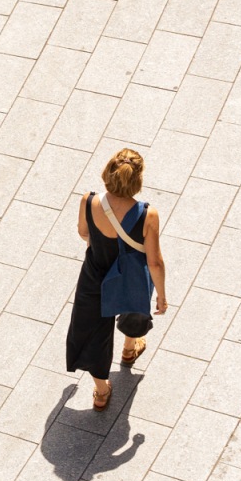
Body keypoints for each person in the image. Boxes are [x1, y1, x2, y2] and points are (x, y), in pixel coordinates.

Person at [67, 148, 167, 410]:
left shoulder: (88, 201)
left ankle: (101, 392)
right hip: (131, 274)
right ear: (137, 179)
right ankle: (129, 349)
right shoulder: (147, 214)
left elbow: (83, 232)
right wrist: (161, 295)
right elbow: (154, 262)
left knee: (93, 331)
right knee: (133, 307)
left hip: (95, 273)